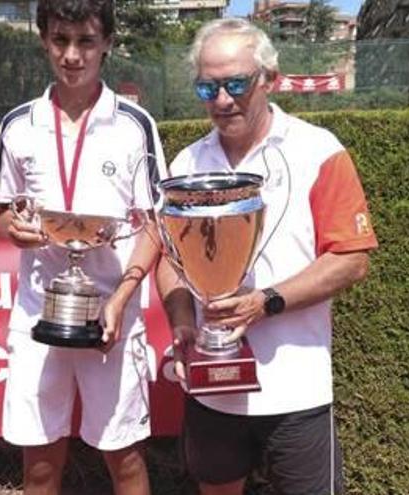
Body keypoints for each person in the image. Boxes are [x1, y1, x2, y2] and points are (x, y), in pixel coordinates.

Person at [155, 18, 378, 495]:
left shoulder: (319, 151)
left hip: (297, 388)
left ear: (269, 80)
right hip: (213, 389)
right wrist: (180, 319)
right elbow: (170, 262)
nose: (222, 100)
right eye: (207, 87)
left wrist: (266, 301)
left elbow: (351, 258)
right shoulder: (187, 165)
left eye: (236, 83)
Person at [0, 1, 165, 494]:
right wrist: (14, 229)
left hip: (112, 315)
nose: (72, 55)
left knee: (124, 455)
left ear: (107, 43)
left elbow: (155, 223)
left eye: (85, 41)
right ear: (44, 40)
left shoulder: (135, 126)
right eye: (60, 40)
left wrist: (122, 298)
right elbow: (5, 209)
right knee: (40, 461)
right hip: (37, 314)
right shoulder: (17, 126)